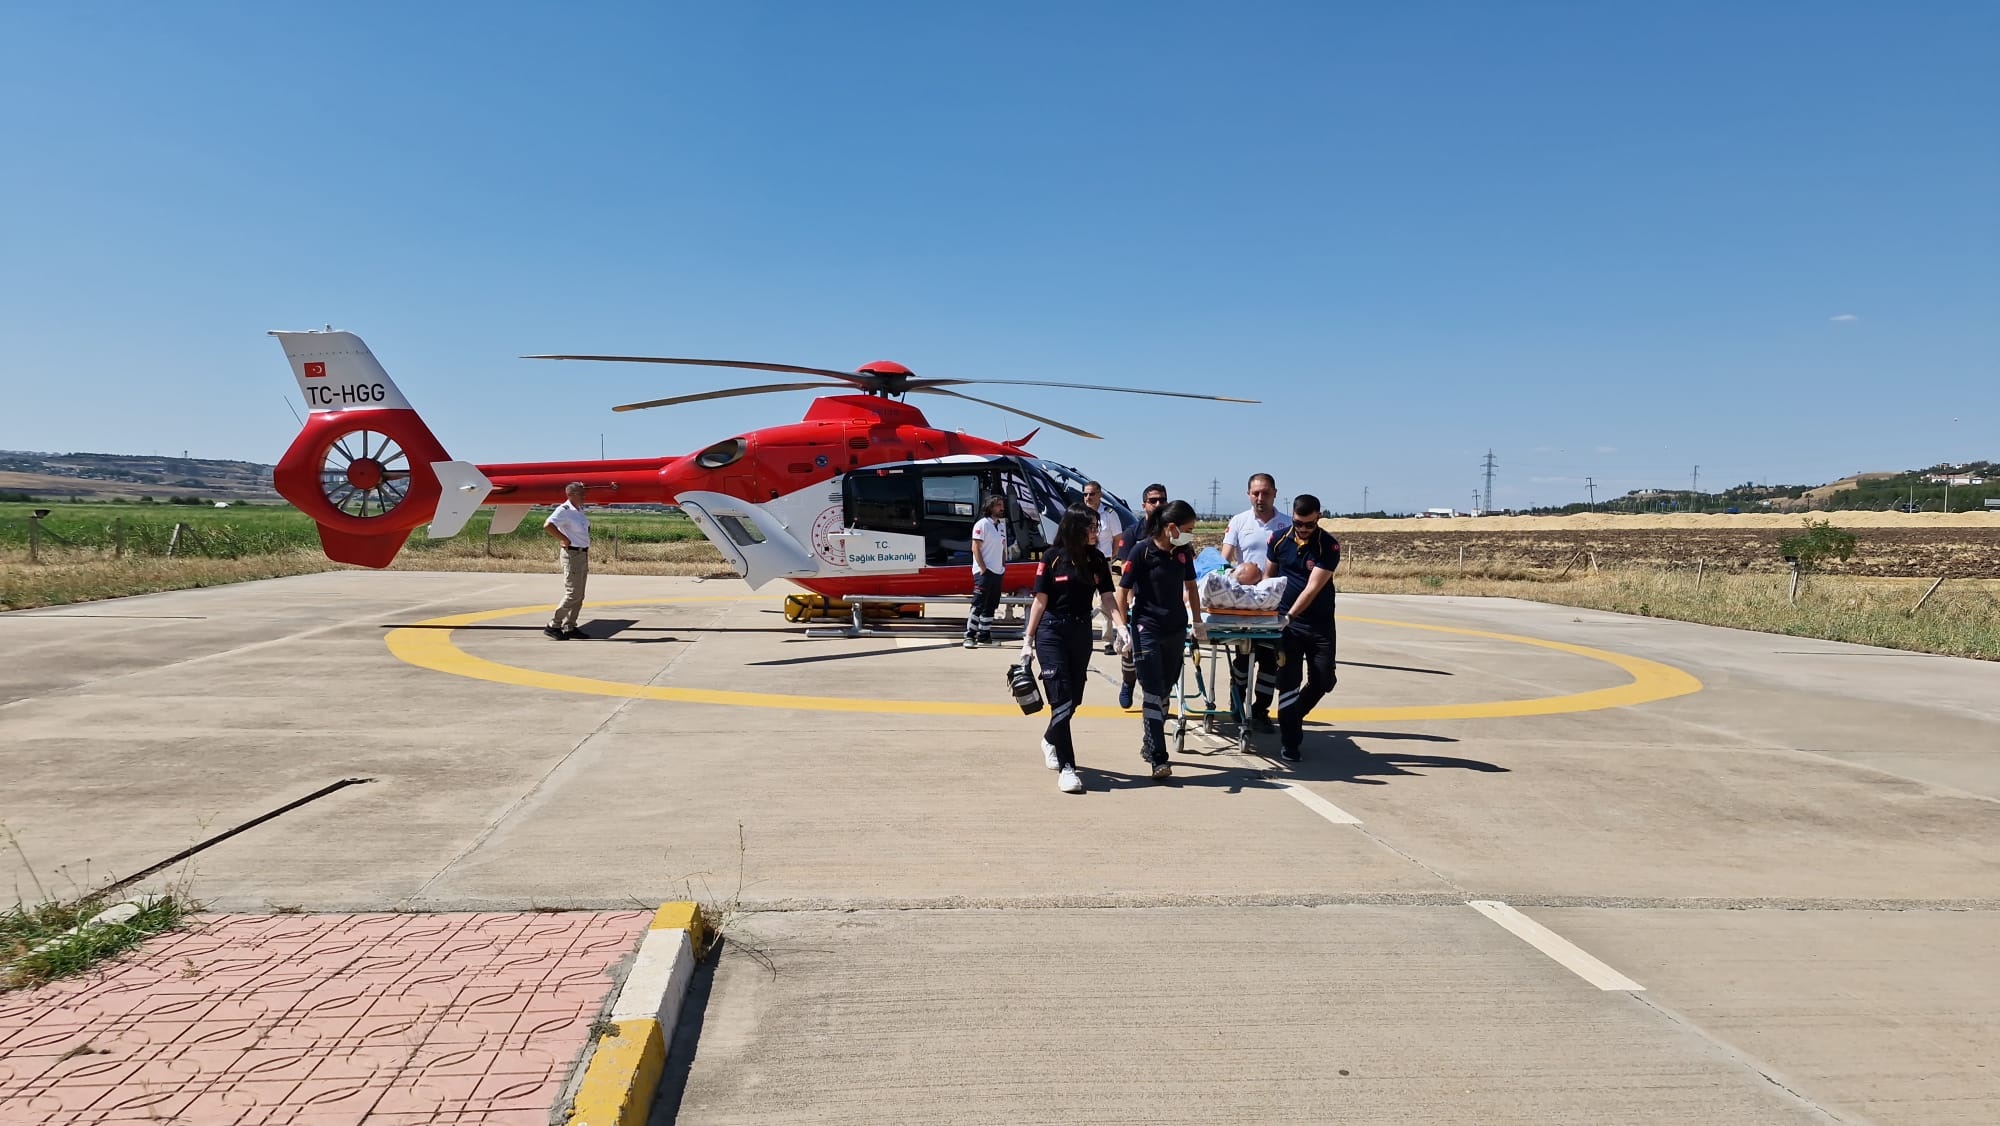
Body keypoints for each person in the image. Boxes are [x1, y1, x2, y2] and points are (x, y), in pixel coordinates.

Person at [1018, 504, 1128, 794]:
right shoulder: (1052, 558)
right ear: (1075, 528)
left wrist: (1120, 626)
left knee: (1074, 699)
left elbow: (1106, 596)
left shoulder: (1097, 560)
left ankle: (1050, 738)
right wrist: (1028, 641)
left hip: (1080, 631)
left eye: (1097, 527)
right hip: (1051, 631)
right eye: (1091, 527)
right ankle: (1068, 768)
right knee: (1061, 697)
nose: (1097, 532)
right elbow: (1040, 601)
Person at [1118, 498, 1205, 779]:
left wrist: (1198, 622)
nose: (1190, 534)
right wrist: (1122, 630)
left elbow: (1191, 587)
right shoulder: (1141, 551)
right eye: (1187, 528)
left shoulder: (1183, 551)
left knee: (1166, 689)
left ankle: (1149, 741)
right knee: (1153, 691)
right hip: (1147, 628)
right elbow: (1122, 591)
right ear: (1171, 527)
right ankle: (1159, 758)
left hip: (1176, 628)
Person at [1267, 493, 1341, 762]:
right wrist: (1268, 613)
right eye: (1299, 523)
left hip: (1318, 624)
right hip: (1288, 628)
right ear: (1293, 517)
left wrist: (1291, 616)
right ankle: (1290, 741)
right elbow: (1268, 579)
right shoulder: (1278, 541)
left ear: (1318, 517)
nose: (1304, 529)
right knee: (1289, 683)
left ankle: (1294, 715)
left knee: (1324, 680)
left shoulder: (1328, 546)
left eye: (1309, 524)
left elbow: (1312, 588)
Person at [1220, 473, 1290, 732]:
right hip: (1246, 604)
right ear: (1248, 494)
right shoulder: (1239, 521)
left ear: (1275, 493)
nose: (1260, 498)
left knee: (1270, 660)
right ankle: (1237, 702)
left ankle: (1261, 710)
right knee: (1243, 656)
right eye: (1255, 493)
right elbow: (1225, 559)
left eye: (1265, 493)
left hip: (1275, 603)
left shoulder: (1286, 524)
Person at [1117, 483, 1168, 709]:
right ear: (1144, 505)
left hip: (1165, 603)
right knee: (1130, 652)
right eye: (1153, 500)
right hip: (1136, 600)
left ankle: (1160, 696)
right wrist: (1127, 604)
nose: (1158, 504)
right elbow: (1122, 570)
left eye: (1162, 500)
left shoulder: (1173, 533)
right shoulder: (1132, 534)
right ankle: (1128, 683)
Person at [543, 482, 592, 640]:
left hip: (582, 554)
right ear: (570, 495)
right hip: (572, 555)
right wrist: (564, 539)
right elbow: (548, 525)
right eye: (580, 493)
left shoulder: (579, 511)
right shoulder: (564, 510)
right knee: (572, 593)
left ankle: (570, 626)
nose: (584, 496)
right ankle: (554, 625)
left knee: (580, 594)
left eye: (583, 493)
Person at [1081, 481, 1125, 654]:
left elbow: (1117, 538)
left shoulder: (1109, 514)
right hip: (1082, 560)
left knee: (1104, 599)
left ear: (1099, 495)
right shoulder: (1079, 513)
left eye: (1091, 494)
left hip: (1102, 561)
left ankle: (1107, 640)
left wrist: (1112, 557)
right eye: (1085, 494)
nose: (1088, 497)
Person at [965, 493, 1009, 648]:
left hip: (997, 571)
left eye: (1002, 505)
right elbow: (975, 547)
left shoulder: (1001, 526)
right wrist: (983, 568)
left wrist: (1003, 566)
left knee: (991, 604)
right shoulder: (982, 524)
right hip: (985, 572)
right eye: (998, 505)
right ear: (990, 507)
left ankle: (984, 635)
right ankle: (969, 635)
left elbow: (1002, 547)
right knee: (978, 603)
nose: (1002, 508)